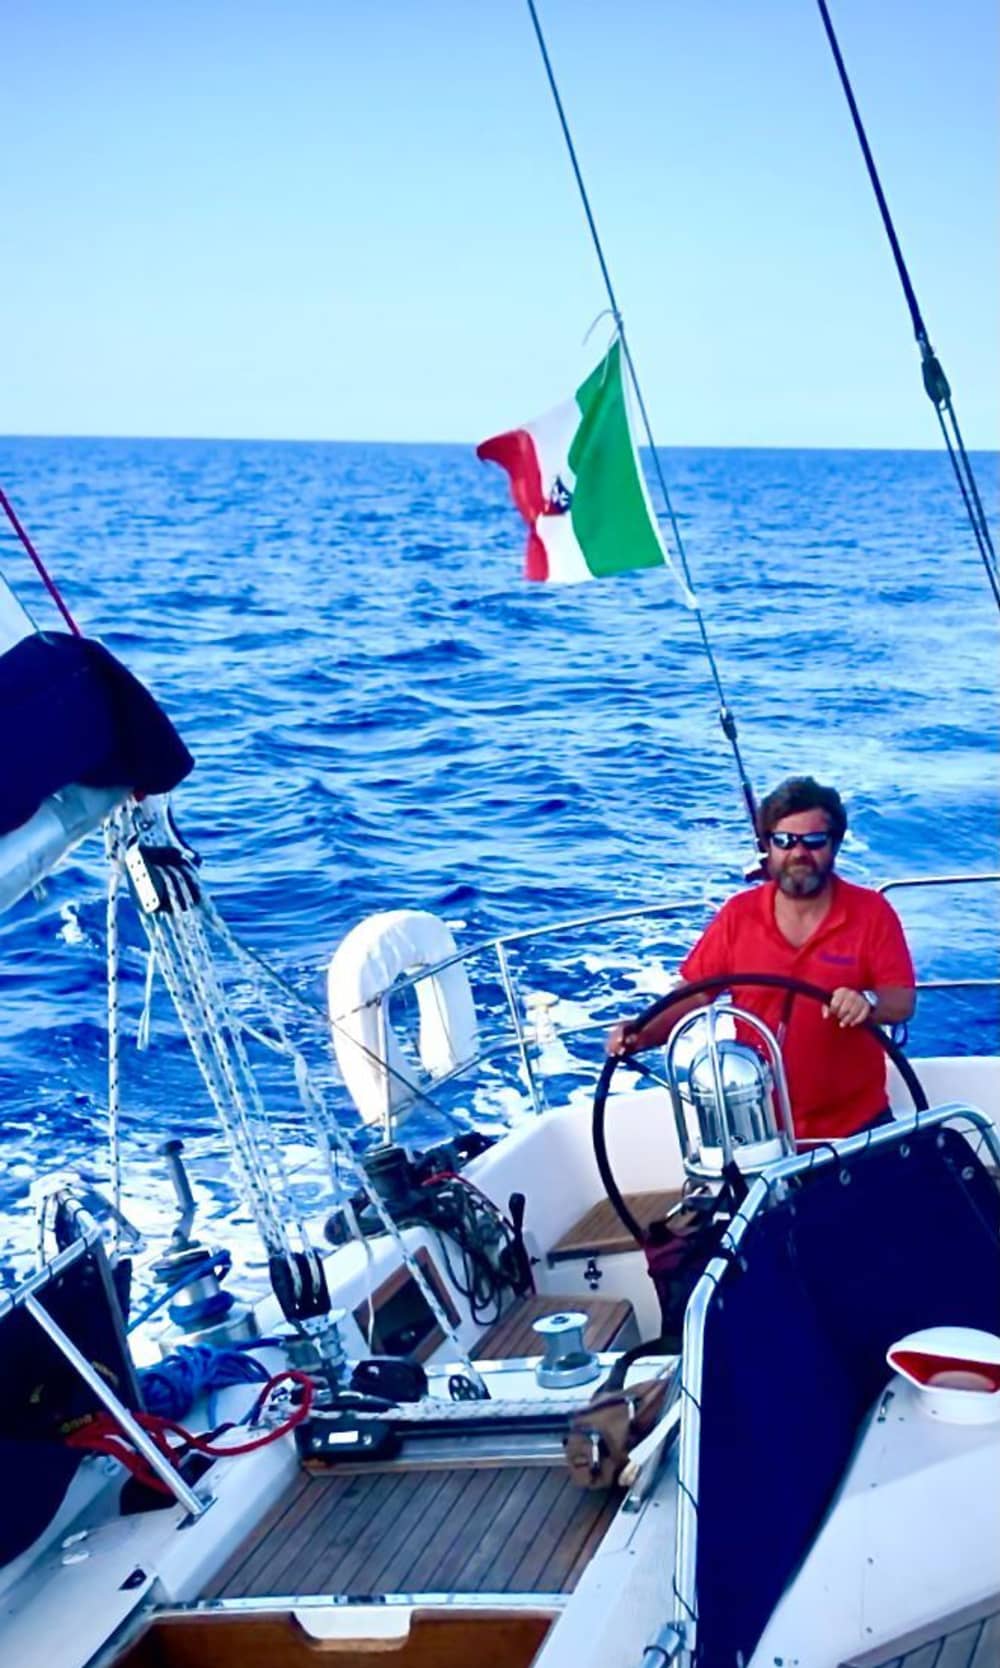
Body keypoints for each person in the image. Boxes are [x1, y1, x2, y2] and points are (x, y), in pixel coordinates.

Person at [608, 776, 916, 1142]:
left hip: (857, 1125)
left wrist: (866, 1002)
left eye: (813, 841)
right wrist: (642, 1033)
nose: (798, 853)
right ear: (767, 847)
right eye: (784, 841)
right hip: (760, 1126)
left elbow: (901, 1000)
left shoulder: (872, 912)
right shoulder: (738, 915)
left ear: (834, 845)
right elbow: (694, 995)